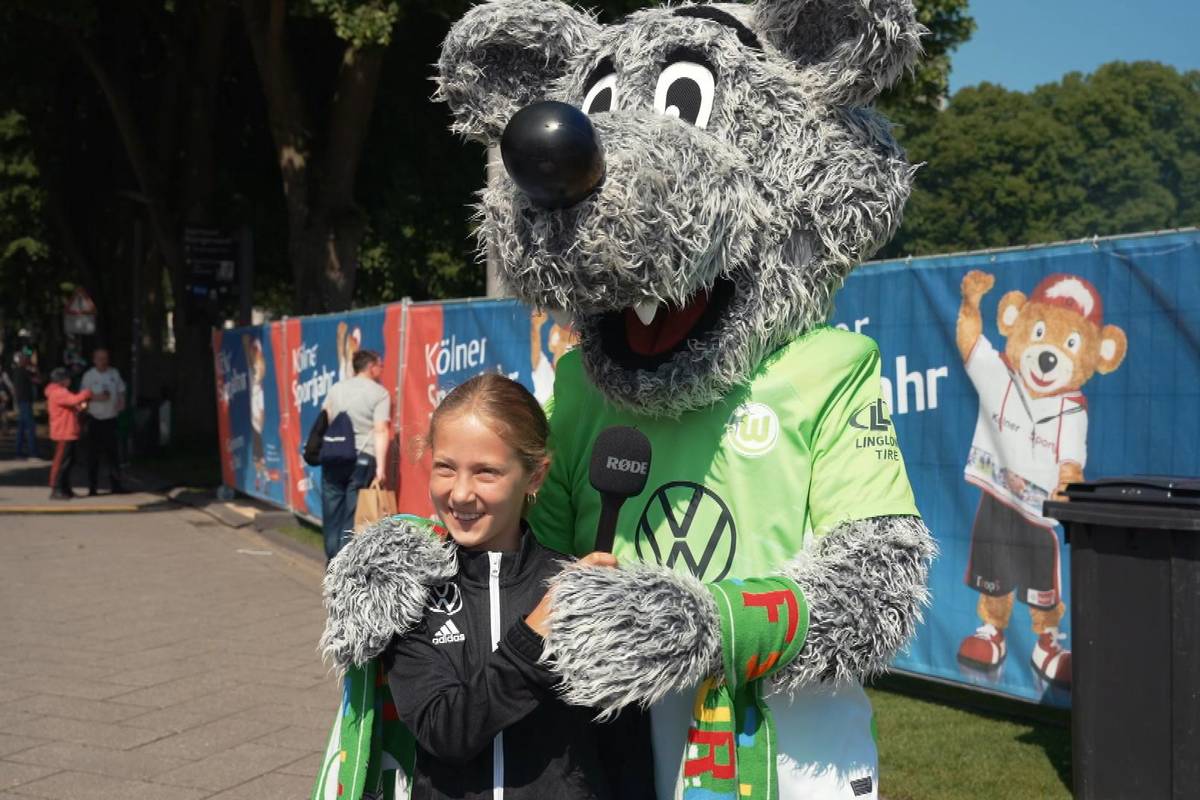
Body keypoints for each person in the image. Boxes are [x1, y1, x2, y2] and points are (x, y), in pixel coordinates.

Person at [383, 373, 654, 799]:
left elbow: (625, 752)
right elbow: (446, 733)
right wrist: (533, 640)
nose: (461, 493)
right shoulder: (407, 589)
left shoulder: (578, 591)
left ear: (534, 476)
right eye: (446, 468)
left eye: (486, 472)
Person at [320, 349, 390, 561]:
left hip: (333, 457)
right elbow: (380, 430)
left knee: (332, 514)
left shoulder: (336, 389)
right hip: (362, 458)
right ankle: (343, 567)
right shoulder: (380, 394)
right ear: (370, 367)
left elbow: (326, 418)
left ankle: (331, 561)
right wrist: (380, 468)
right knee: (352, 517)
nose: (381, 369)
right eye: (380, 365)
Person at [80, 347, 127, 495]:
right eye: (99, 358)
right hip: (95, 419)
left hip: (111, 419)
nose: (103, 362)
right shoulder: (89, 376)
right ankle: (93, 488)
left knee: (113, 455)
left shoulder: (114, 373)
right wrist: (96, 397)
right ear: (94, 360)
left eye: (105, 358)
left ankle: (116, 486)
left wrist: (121, 400)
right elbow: (82, 396)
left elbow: (121, 389)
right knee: (93, 456)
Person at [45, 367, 92, 499]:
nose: (70, 380)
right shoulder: (58, 392)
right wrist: (87, 393)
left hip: (69, 432)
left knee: (69, 462)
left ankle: (65, 488)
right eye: (68, 378)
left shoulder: (61, 392)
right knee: (61, 463)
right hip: (63, 433)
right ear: (62, 380)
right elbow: (74, 400)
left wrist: (82, 405)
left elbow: (74, 404)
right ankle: (56, 489)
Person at [12, 350, 41, 459]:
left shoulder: (18, 371)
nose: (27, 360)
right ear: (22, 360)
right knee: (30, 427)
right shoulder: (24, 371)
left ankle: (18, 453)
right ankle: (33, 453)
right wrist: (35, 366)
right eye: (26, 359)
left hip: (22, 401)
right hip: (25, 402)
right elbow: (38, 380)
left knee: (22, 428)